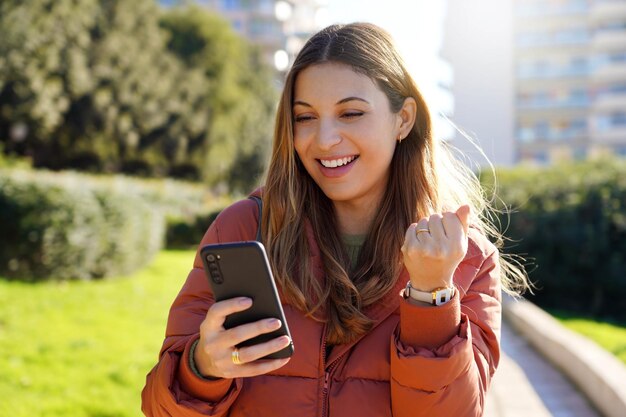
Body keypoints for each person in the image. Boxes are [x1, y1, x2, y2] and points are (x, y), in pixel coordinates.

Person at [142, 22, 529, 417]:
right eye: (305, 117)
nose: (325, 139)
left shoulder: (466, 258)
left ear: (404, 119)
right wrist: (200, 369)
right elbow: (160, 408)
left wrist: (431, 297)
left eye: (351, 113)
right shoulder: (242, 229)